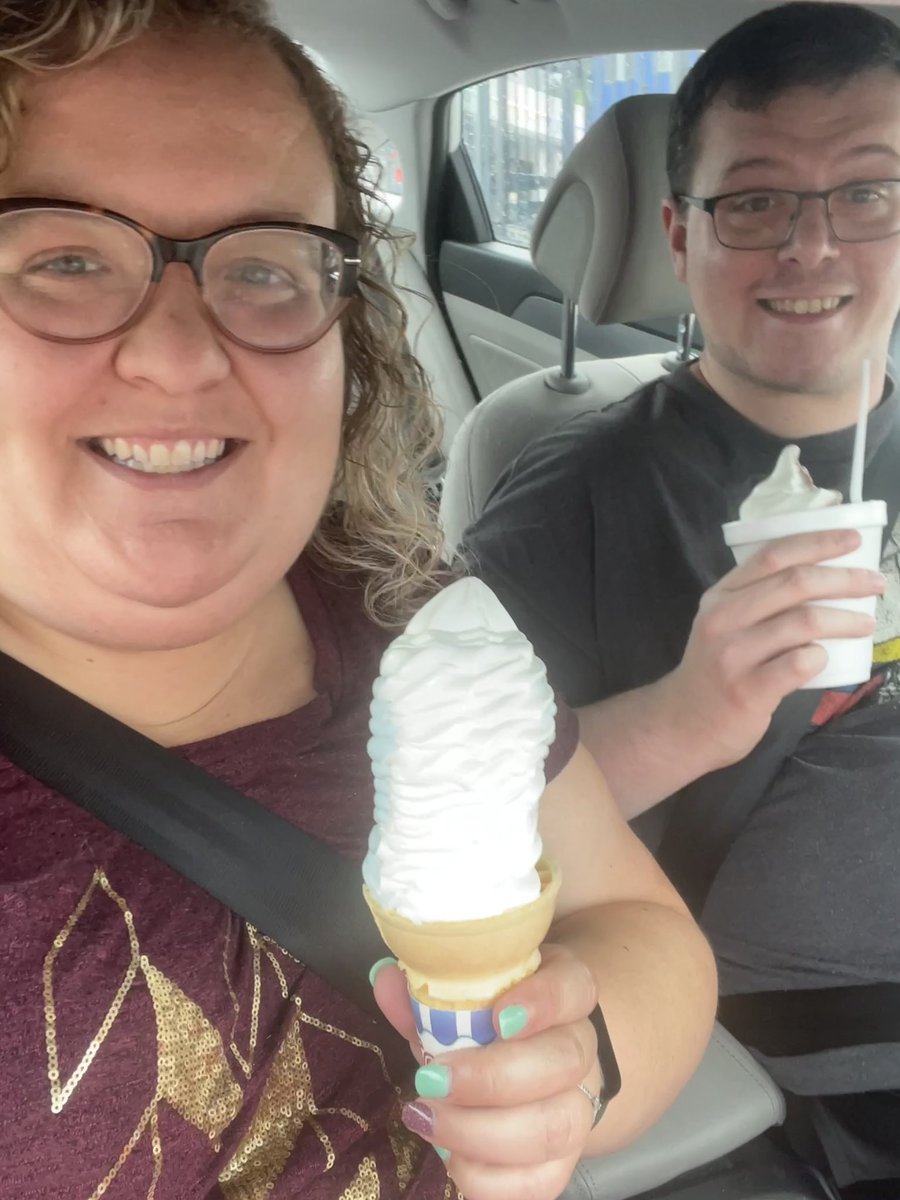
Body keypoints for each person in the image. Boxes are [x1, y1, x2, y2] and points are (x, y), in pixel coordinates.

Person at [0, 3, 718, 1199]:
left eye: (267, 266)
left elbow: (636, 927)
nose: (181, 355)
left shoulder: (414, 628)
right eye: (64, 260)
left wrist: (574, 1073)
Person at [462, 2, 900, 1192]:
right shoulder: (569, 500)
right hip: (792, 1068)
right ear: (679, 232)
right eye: (755, 202)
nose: (813, 249)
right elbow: (442, 827)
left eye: (867, 193)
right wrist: (688, 716)